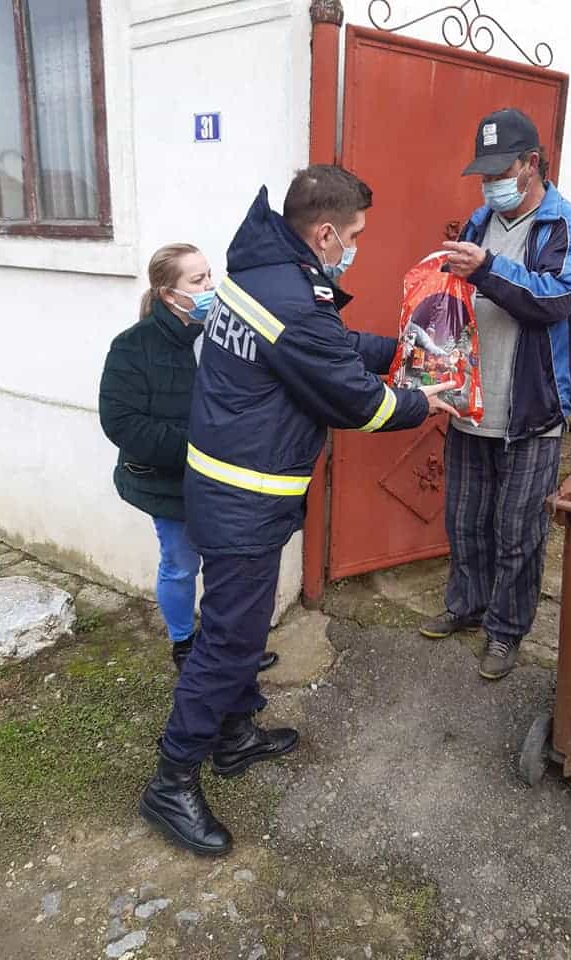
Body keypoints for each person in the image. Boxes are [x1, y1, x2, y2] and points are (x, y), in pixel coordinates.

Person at [139, 165, 458, 856]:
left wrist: (401, 351)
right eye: (355, 236)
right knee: (226, 642)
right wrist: (418, 399)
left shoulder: (268, 274)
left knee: (241, 630)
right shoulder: (286, 294)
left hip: (239, 490)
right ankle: (171, 780)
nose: (356, 247)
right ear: (324, 232)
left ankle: (234, 734)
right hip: (242, 499)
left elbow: (326, 347)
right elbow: (355, 400)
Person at [419, 108, 571, 681]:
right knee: (465, 520)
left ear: (531, 165)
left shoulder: (563, 226)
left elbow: (555, 300)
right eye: (483, 172)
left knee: (519, 533)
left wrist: (488, 270)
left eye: (501, 169)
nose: (490, 181)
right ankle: (466, 607)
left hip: (532, 413)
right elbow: (457, 300)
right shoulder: (477, 222)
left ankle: (505, 631)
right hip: (472, 403)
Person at [99, 244, 278, 674]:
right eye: (197, 281)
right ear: (167, 294)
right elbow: (121, 423)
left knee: (227, 568)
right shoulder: (132, 347)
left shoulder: (222, 334)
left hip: (225, 480)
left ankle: (230, 648)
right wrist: (201, 448)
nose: (210, 288)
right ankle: (183, 643)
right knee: (181, 565)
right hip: (170, 482)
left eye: (209, 276)